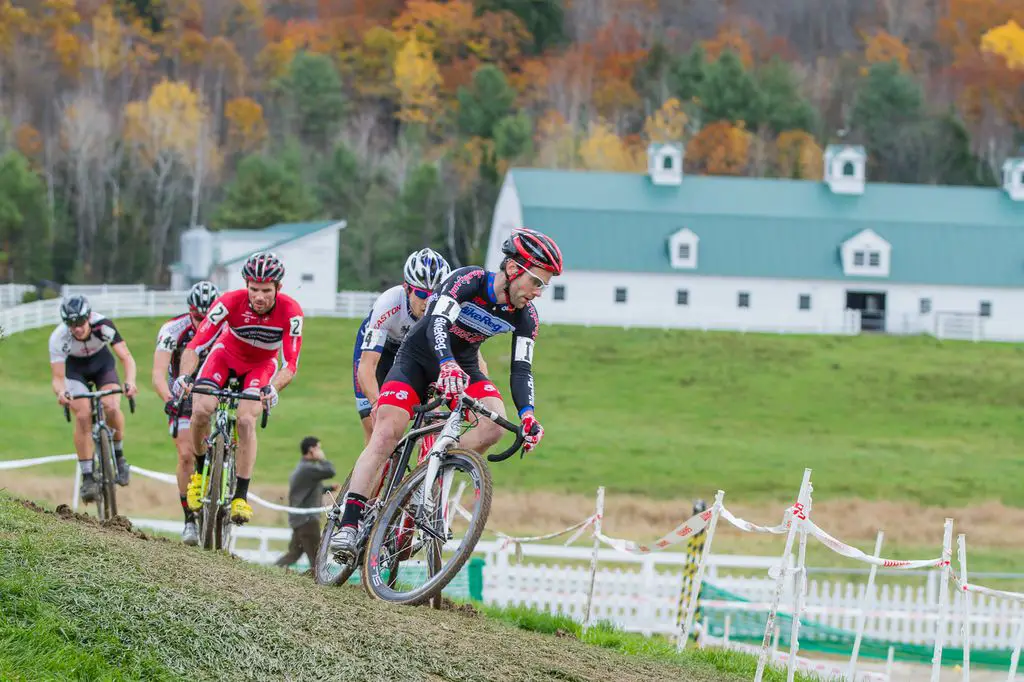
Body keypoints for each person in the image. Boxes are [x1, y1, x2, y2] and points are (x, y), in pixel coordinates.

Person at [331, 228, 563, 558]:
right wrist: (446, 363)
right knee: (386, 432)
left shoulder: (526, 316)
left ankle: (427, 472)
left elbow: (521, 368)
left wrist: (529, 415)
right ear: (513, 270)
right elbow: (437, 322)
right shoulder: (467, 280)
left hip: (465, 364)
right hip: (418, 359)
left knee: (494, 425)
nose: (539, 292)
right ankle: (349, 524)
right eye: (537, 282)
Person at [174, 251, 305, 526]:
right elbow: (196, 345)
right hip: (225, 356)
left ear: (278, 288)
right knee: (201, 410)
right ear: (246, 285)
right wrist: (185, 376)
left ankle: (240, 496)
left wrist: (273, 388)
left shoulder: (291, 312)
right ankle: (200, 473)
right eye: (253, 289)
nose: (258, 297)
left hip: (261, 366)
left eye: (266, 291)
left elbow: (290, 364)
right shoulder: (229, 302)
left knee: (245, 420)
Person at [352, 248, 488, 445]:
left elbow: (475, 358)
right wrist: (376, 403)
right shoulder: (389, 304)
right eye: (422, 293)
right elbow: (367, 366)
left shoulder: (448, 309)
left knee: (431, 424)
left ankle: (426, 471)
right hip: (385, 352)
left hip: (419, 353)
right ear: (407, 288)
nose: (429, 301)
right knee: (376, 429)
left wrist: (479, 396)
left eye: (435, 294)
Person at [48, 295, 139, 503]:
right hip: (75, 370)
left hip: (102, 366)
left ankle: (119, 456)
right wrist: (61, 393)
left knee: (112, 405)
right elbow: (57, 378)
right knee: (82, 415)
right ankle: (88, 476)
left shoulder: (103, 325)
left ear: (88, 317)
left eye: (80, 322)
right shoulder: (58, 338)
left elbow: (126, 357)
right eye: (71, 324)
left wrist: (130, 382)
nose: (77, 328)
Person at [151, 280, 220, 546]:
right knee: (185, 454)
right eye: (197, 317)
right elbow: (158, 372)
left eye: (208, 317)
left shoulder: (227, 325)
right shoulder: (173, 329)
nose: (203, 323)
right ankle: (189, 519)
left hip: (218, 385)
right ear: (189, 310)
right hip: (184, 391)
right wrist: (169, 398)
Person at [274, 436, 339, 574]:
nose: (321, 451)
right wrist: (322, 459)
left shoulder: (303, 468)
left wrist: (328, 488)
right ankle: (320, 580)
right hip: (308, 521)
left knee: (294, 554)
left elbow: (308, 490)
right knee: (316, 556)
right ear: (312, 450)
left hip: (300, 520)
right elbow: (330, 471)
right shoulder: (308, 469)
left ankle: (272, 570)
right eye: (319, 448)